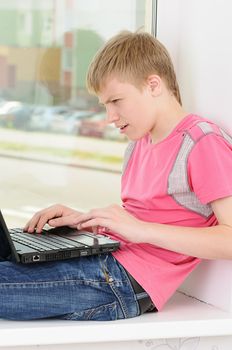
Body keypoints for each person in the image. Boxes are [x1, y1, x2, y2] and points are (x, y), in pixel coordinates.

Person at [1, 31, 232, 321]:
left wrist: (140, 230)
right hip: (108, 259)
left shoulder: (202, 142)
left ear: (153, 85)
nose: (110, 116)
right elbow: (141, 219)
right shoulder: (138, 144)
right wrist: (85, 222)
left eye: (116, 101)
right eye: (105, 105)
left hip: (123, 282)